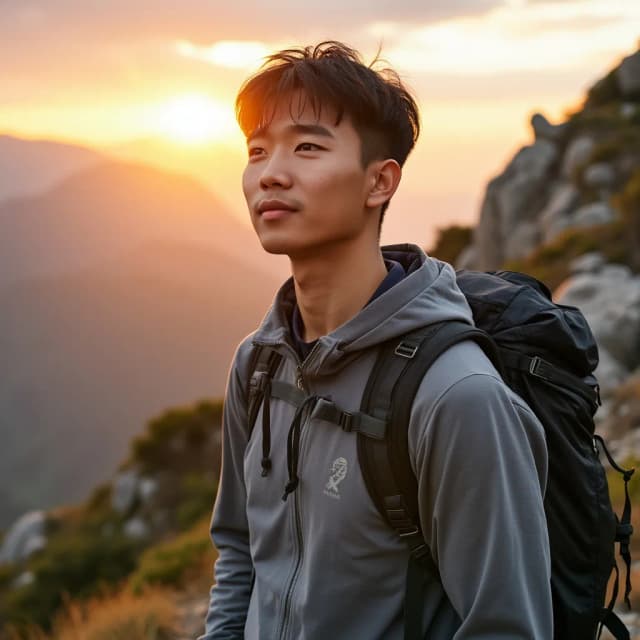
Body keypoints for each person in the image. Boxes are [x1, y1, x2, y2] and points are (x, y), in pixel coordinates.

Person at [199, 41, 552, 639]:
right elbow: (238, 549)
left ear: (379, 182)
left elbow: (507, 626)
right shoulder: (258, 364)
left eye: (307, 147)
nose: (270, 173)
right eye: (258, 150)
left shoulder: (455, 396)